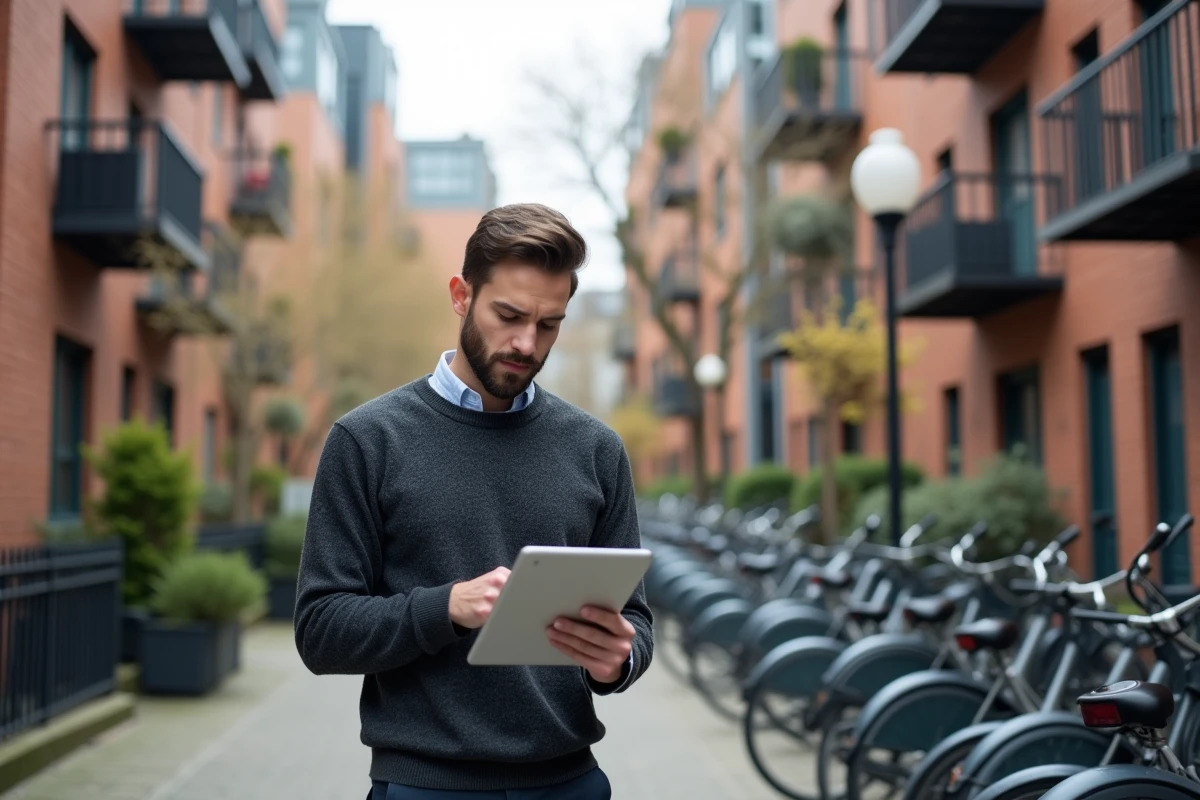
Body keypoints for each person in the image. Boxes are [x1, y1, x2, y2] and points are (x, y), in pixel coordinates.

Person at [294, 203, 654, 800]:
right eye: (508, 316)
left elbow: (635, 622)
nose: (526, 343)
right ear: (461, 296)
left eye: (549, 324)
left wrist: (617, 661)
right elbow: (320, 630)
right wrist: (446, 608)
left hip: (570, 781)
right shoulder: (368, 440)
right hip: (425, 785)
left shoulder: (596, 449)